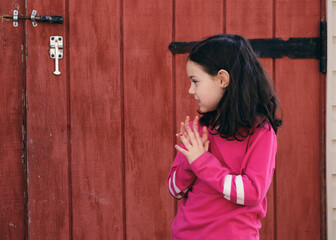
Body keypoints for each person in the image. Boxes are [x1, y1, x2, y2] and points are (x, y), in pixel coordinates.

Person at [167, 34, 282, 240]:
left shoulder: (261, 132)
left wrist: (202, 162)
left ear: (222, 79)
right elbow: (175, 190)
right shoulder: (200, 129)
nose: (190, 90)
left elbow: (252, 193)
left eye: (195, 81)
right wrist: (189, 159)